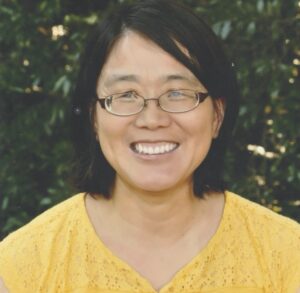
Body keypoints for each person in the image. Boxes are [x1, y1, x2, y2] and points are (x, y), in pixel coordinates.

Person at [0, 0, 299, 292]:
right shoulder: (20, 269)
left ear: (217, 116)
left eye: (178, 92)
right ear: (93, 116)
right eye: (126, 94)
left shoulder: (287, 257)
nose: (152, 119)